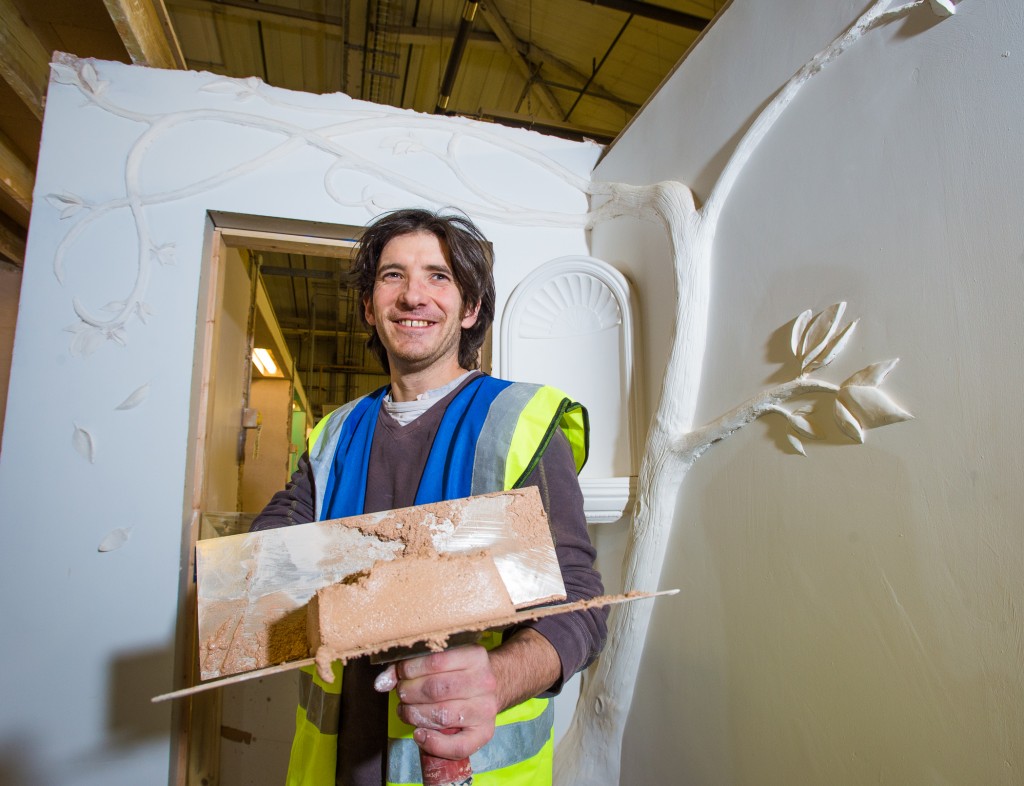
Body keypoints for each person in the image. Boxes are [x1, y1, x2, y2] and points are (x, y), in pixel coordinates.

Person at [251, 207, 607, 786]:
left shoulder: (520, 419)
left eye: (438, 276)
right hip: (334, 767)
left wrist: (498, 678)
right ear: (370, 307)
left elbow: (582, 608)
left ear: (469, 310)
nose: (413, 295)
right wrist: (241, 577)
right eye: (392, 276)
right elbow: (270, 545)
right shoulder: (335, 431)